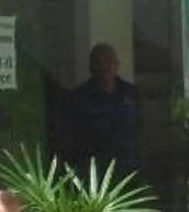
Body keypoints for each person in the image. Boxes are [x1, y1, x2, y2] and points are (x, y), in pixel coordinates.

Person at [59, 43, 143, 181]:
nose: (105, 68)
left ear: (117, 65)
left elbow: (139, 129)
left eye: (109, 62)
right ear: (91, 67)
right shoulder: (80, 98)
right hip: (95, 170)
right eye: (99, 63)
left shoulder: (130, 93)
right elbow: (71, 139)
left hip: (128, 167)